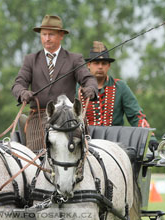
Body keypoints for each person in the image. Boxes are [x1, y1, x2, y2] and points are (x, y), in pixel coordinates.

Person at [12, 15, 98, 153]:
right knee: (36, 158)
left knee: (75, 154)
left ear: (61, 35)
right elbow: (18, 84)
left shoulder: (74, 59)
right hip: (38, 118)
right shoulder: (30, 60)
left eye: (51, 34)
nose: (47, 38)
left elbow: (88, 79)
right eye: (44, 34)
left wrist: (91, 88)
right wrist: (22, 92)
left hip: (67, 117)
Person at [78, 41, 158, 149]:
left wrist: (150, 137)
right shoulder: (77, 89)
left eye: (104, 63)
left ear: (109, 66)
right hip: (85, 144)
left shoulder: (120, 87)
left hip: (115, 144)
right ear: (89, 65)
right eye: (96, 63)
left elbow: (136, 115)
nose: (100, 67)